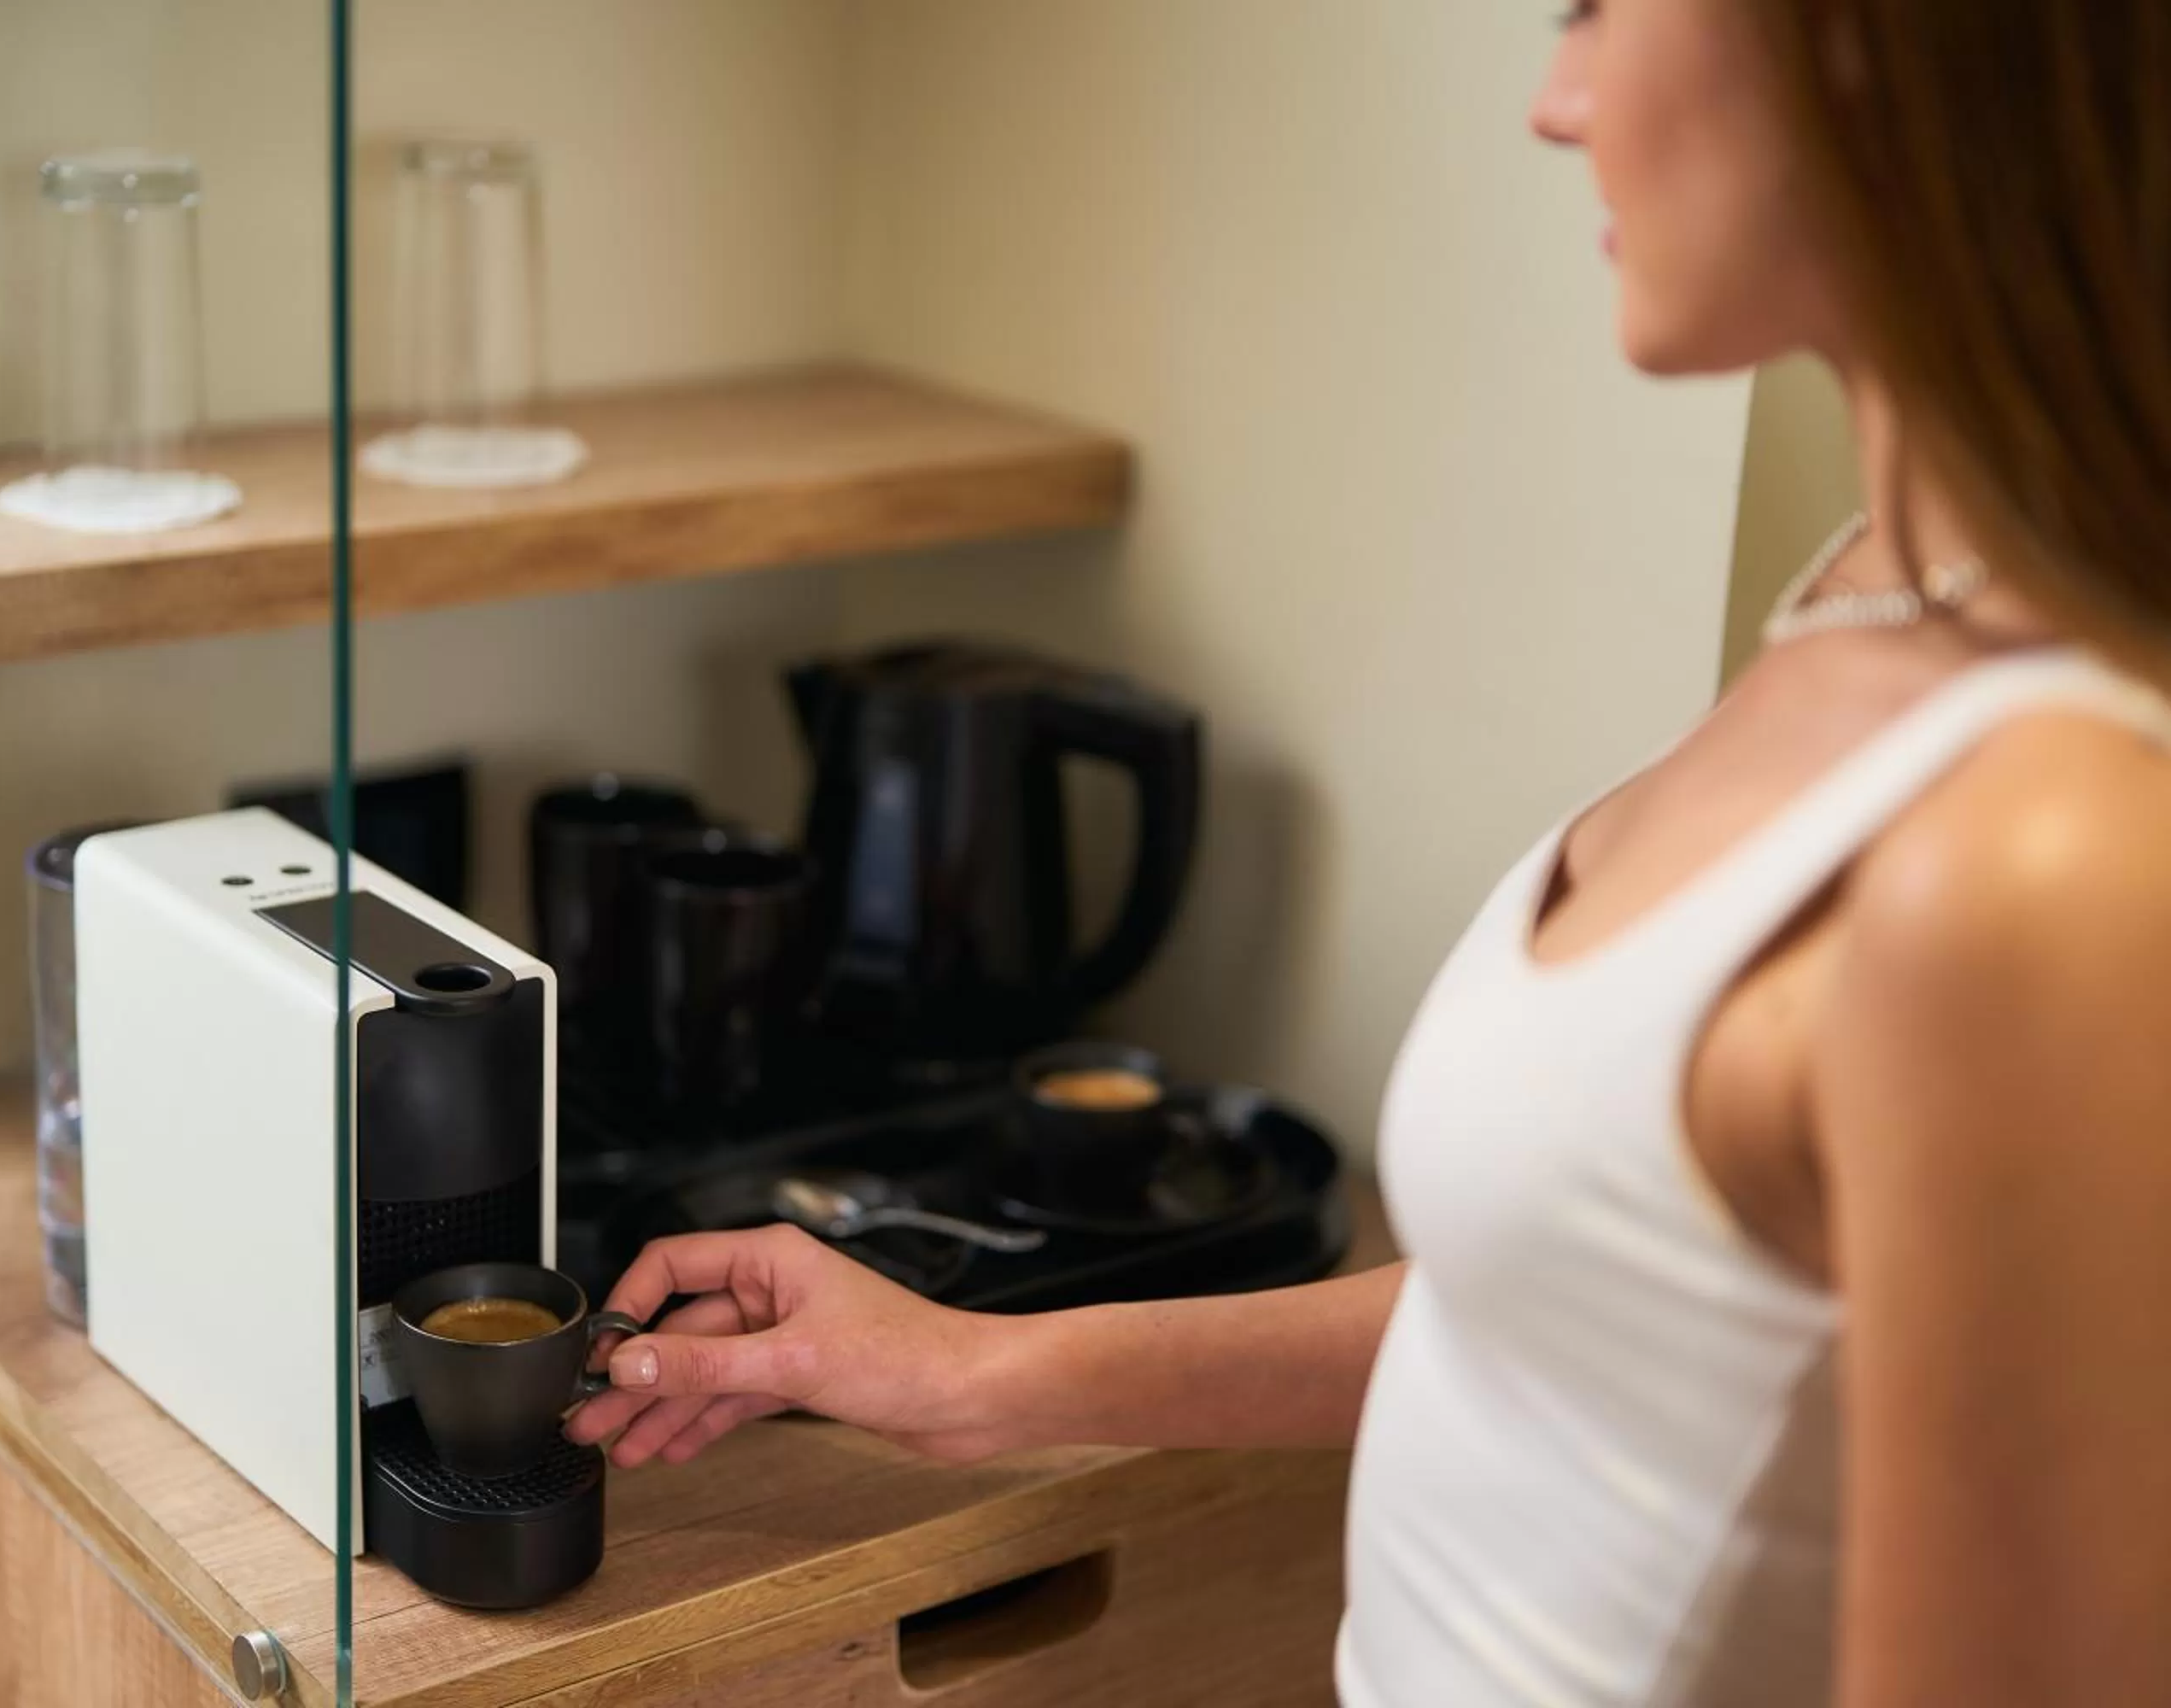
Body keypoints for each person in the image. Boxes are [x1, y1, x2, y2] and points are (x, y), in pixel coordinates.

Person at [568, 2, 2171, 1701]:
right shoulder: (1869, 593)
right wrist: (967, 1369)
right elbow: (1559, 1318)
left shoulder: (2049, 865)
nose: (1559, 105)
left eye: (1600, 11)